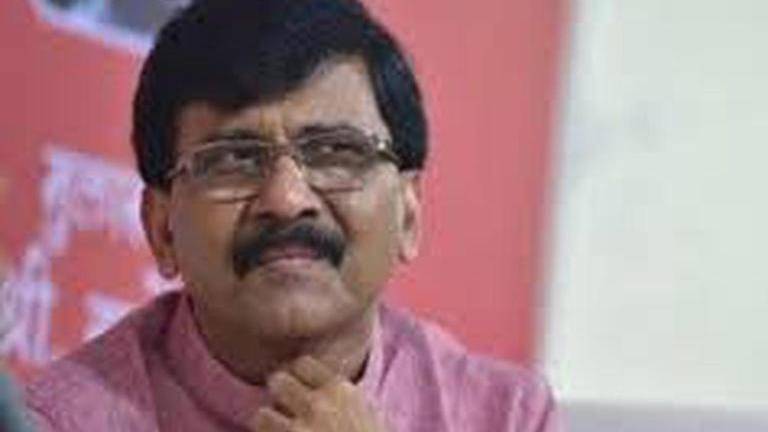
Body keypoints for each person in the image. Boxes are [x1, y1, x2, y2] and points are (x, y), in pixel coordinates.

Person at [25, 0, 561, 430]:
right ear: (161, 228)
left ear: (408, 213)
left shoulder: (505, 416)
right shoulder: (59, 421)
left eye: (335, 152)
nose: (286, 199)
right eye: (234, 160)